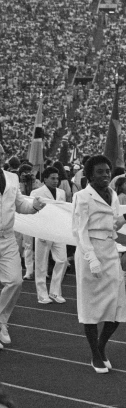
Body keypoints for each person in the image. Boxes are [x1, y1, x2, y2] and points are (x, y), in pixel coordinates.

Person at [72, 155, 126, 373]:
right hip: (89, 253)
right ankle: (95, 355)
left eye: (107, 171)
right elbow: (79, 230)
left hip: (110, 252)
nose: (105, 175)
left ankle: (101, 346)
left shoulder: (112, 195)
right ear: (90, 174)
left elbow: (113, 225)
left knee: (116, 307)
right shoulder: (82, 197)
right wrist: (91, 257)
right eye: (100, 171)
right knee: (91, 307)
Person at [0, 144, 47, 349]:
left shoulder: (12, 178)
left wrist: (35, 206)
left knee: (15, 281)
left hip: (7, 238)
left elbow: (20, 205)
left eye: (1, 152)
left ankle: (1, 321)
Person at [29, 167, 68, 304]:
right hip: (43, 230)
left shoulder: (61, 192)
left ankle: (55, 292)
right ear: (45, 179)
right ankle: (41, 294)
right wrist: (39, 230)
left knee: (62, 260)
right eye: (52, 178)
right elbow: (34, 212)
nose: (55, 181)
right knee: (41, 264)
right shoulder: (36, 192)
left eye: (57, 178)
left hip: (58, 231)